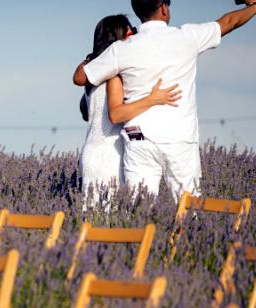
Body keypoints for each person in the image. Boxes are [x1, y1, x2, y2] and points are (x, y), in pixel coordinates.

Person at [73, 0, 256, 202]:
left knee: (140, 208)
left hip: (139, 140)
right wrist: (254, 6)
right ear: (164, 8)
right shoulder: (187, 36)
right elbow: (230, 22)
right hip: (180, 139)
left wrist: (95, 54)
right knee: (188, 207)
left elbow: (80, 78)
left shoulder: (121, 49)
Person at [77, 14, 182, 207]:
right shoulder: (114, 75)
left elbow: (85, 112)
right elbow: (117, 114)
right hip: (112, 154)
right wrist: (152, 99)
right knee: (114, 223)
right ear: (121, 36)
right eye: (131, 30)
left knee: (91, 222)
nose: (134, 33)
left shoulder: (92, 78)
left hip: (90, 153)